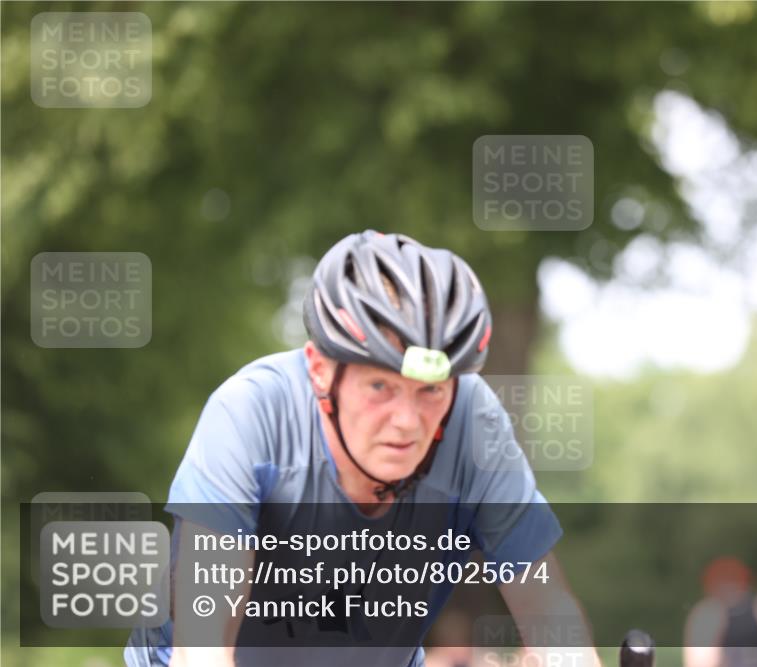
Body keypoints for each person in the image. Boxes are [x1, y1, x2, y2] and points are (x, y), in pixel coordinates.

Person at [125, 230, 599, 667]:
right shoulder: (250, 413)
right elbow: (202, 645)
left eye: (430, 390)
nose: (407, 421)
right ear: (320, 370)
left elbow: (547, 609)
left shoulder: (476, 425)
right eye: (379, 386)